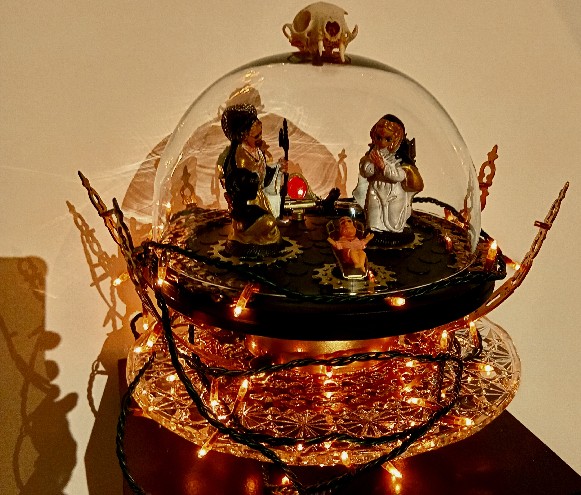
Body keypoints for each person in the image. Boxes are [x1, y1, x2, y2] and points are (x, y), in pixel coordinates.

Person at [220, 104, 288, 249]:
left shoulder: (257, 151)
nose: (260, 139)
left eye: (261, 135)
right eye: (256, 136)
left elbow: (264, 177)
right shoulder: (240, 156)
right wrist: (252, 180)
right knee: (269, 223)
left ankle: (258, 236)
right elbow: (238, 185)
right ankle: (244, 236)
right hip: (247, 205)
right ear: (244, 135)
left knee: (273, 223)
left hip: (260, 200)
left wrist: (278, 168)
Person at [355, 115, 423, 240]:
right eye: (379, 138)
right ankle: (375, 232)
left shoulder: (399, 158)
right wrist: (374, 165)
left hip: (394, 191)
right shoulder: (373, 154)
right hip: (375, 189)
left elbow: (399, 176)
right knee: (374, 213)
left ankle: (394, 232)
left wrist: (384, 167)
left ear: (396, 139)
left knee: (393, 216)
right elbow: (366, 172)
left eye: (388, 139)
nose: (382, 143)